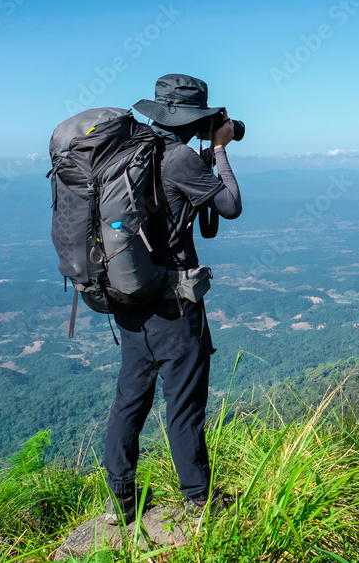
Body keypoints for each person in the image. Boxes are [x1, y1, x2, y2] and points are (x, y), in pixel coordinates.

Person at [103, 73, 242, 524]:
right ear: (193, 118)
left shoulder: (131, 150)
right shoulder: (182, 157)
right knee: (183, 403)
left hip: (129, 295)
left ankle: (121, 501)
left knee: (130, 399)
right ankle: (200, 502)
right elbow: (230, 205)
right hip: (174, 304)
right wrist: (219, 150)